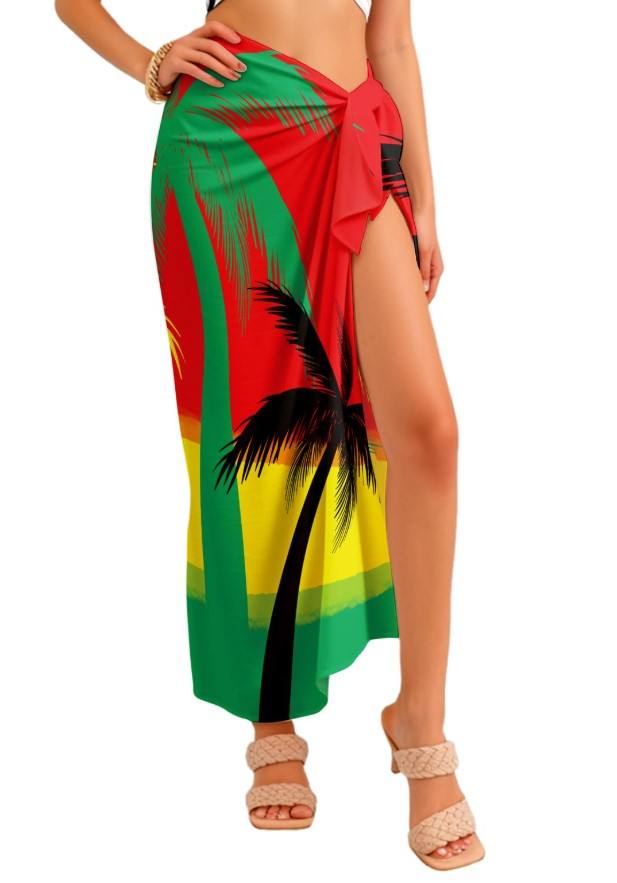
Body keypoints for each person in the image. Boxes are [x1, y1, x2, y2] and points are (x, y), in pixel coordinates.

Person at [55, 0, 485, 869]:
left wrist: (425, 201)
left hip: (353, 129)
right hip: (226, 140)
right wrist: (149, 64)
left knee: (428, 431)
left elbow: (392, 36)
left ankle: (420, 726)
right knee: (254, 430)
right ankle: (269, 713)